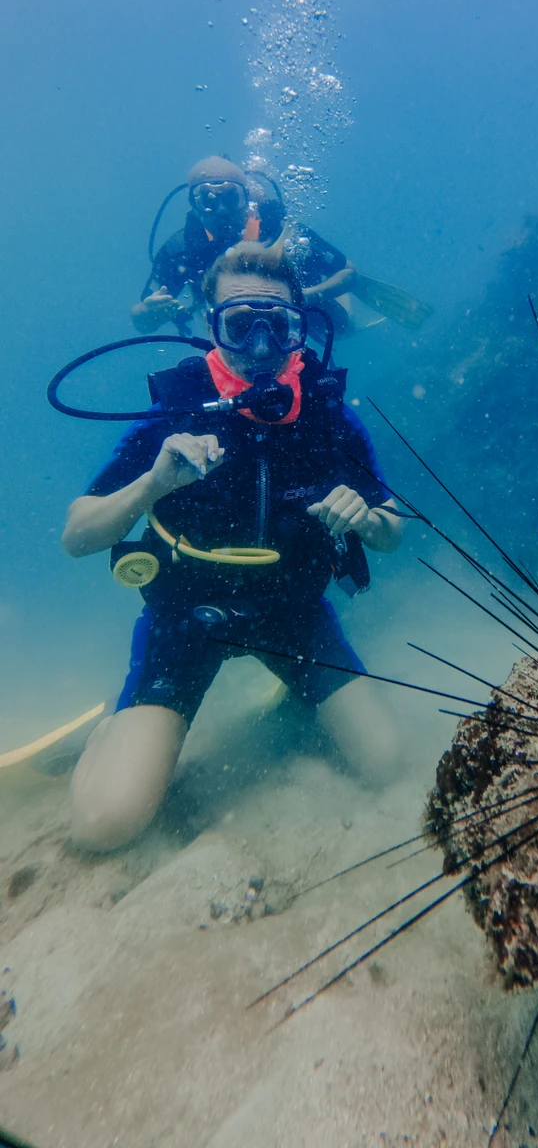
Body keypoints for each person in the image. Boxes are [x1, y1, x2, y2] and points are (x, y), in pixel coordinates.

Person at [65, 240, 402, 852]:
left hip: (293, 615)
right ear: (210, 327)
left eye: (280, 326)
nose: (262, 347)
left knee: (386, 762)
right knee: (104, 825)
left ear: (301, 328)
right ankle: (112, 729)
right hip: (185, 619)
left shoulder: (328, 417)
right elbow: (77, 536)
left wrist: (366, 521)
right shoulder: (174, 414)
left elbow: (391, 530)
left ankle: (295, 695)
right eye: (241, 326)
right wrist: (153, 482)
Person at [132, 155, 356, 336]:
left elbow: (349, 272)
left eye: (231, 197)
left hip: (294, 308)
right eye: (208, 200)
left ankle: (332, 293)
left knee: (342, 328)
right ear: (194, 204)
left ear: (246, 198)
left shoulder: (277, 229)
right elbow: (142, 321)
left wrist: (307, 295)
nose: (221, 210)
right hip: (235, 332)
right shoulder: (180, 250)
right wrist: (149, 314)